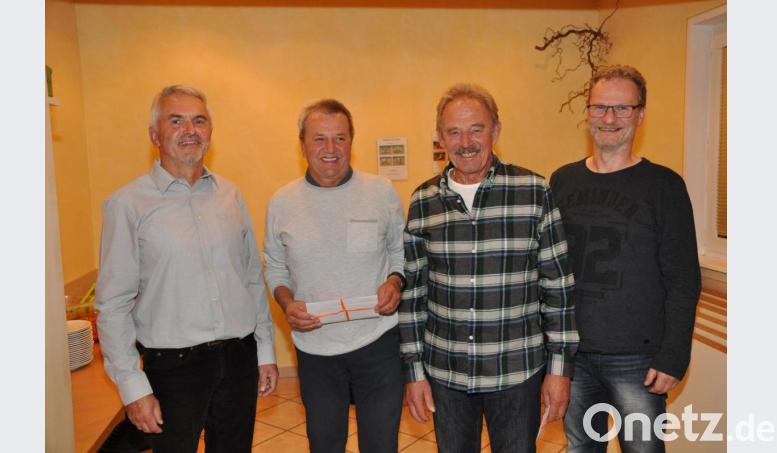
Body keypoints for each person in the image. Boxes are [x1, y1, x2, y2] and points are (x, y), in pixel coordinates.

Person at [94, 85, 278, 453]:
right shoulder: (127, 204)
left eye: (199, 120)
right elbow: (112, 304)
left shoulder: (231, 196)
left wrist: (265, 351)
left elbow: (251, 279)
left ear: (210, 131)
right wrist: (132, 386)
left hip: (238, 358)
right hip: (173, 369)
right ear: (154, 135)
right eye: (175, 121)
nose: (190, 130)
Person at [400, 83, 579, 452]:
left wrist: (559, 370)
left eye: (476, 129)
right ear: (440, 138)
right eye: (454, 131)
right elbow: (413, 296)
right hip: (446, 374)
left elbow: (558, 289)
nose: (466, 141)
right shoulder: (423, 201)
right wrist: (414, 373)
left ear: (495, 131)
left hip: (517, 371)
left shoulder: (533, 191)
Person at [550, 65, 701, 452]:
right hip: (574, 356)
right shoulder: (562, 181)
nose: (610, 118)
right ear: (587, 113)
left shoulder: (664, 186)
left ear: (640, 114)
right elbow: (548, 270)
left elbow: (683, 278)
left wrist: (673, 357)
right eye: (600, 107)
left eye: (622, 108)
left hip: (640, 359)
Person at [263, 99, 405, 453]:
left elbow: (400, 253)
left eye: (340, 138)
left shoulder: (382, 192)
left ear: (351, 142)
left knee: (381, 446)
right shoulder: (282, 202)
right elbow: (275, 266)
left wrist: (395, 281)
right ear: (302, 144)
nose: (330, 149)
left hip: (378, 342)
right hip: (316, 350)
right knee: (325, 445)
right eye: (319, 139)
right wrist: (286, 302)